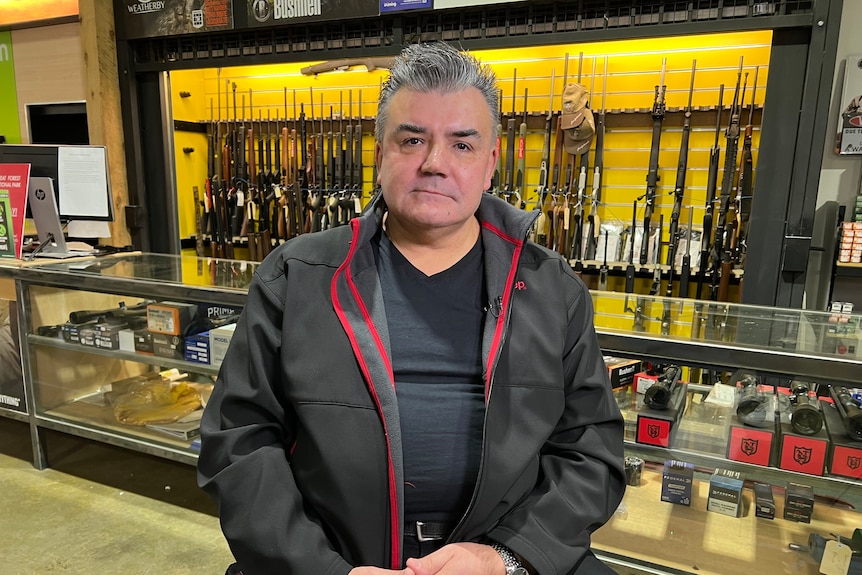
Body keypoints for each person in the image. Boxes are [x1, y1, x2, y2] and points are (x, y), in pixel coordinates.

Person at [198, 41, 625, 575]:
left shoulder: (551, 288)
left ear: (492, 163)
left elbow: (591, 453)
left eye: (462, 145)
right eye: (412, 140)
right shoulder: (296, 275)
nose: (434, 164)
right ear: (380, 154)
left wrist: (506, 559)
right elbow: (238, 443)